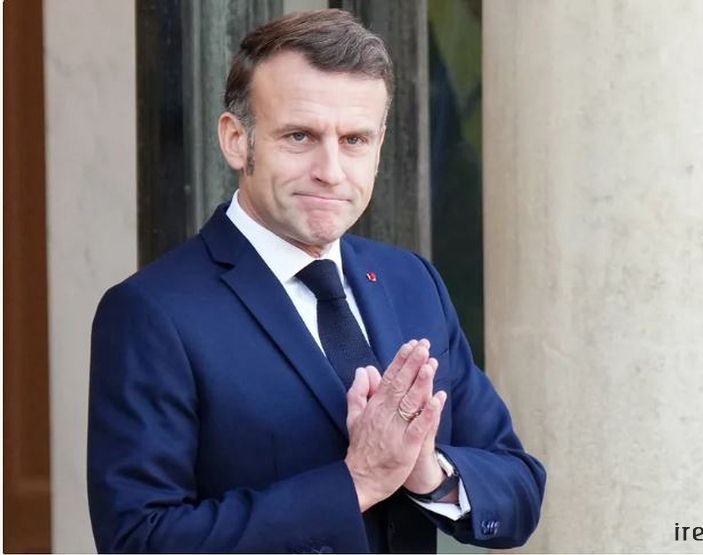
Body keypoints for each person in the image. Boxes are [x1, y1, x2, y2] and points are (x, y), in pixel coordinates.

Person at [87, 9, 545, 553]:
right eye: (300, 136)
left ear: (379, 147)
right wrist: (356, 483)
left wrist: (430, 474)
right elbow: (139, 540)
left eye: (354, 140)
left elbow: (518, 488)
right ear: (236, 140)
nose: (331, 170)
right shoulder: (151, 312)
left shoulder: (412, 281)